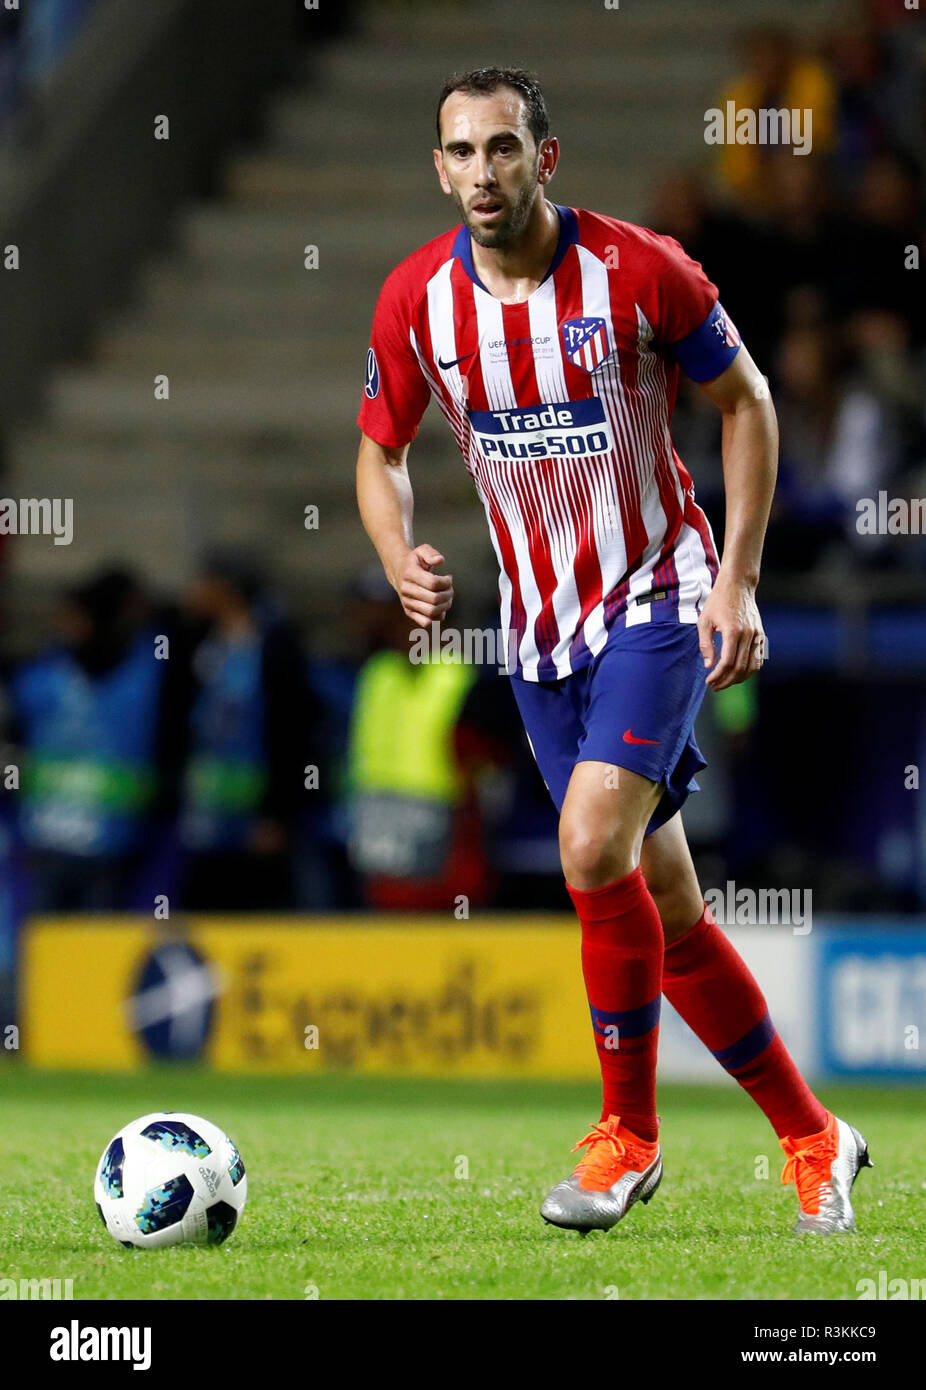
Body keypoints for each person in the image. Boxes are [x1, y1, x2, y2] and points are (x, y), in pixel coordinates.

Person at [355, 68, 872, 1236]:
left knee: (592, 847)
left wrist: (734, 580)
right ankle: (811, 1134)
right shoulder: (416, 302)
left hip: (653, 596)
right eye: (458, 153)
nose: (480, 172)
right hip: (540, 635)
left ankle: (625, 1138)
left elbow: (744, 402)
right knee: (668, 904)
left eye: (501, 148)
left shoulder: (642, 269)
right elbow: (378, 449)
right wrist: (396, 550)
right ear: (437, 169)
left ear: (546, 158)